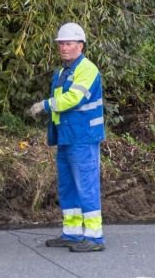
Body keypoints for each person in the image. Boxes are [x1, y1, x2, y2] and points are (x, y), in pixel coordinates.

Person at [28, 22, 106, 251]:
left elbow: (74, 99)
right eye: (61, 43)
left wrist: (46, 104)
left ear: (80, 45)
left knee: (86, 185)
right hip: (66, 137)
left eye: (69, 43)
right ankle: (71, 233)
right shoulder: (63, 71)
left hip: (83, 137)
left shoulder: (87, 69)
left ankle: (94, 238)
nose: (64, 47)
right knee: (68, 187)